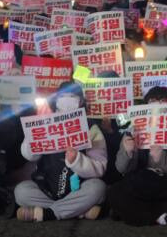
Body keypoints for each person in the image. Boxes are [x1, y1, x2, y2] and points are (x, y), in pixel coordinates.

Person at [14, 82, 107, 222]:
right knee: (21, 191)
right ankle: (78, 211)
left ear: (81, 101)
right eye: (63, 96)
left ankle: (48, 213)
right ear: (56, 100)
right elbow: (29, 156)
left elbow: (100, 169)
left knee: (98, 188)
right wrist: (35, 134)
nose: (68, 100)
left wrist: (77, 160)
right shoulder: (44, 121)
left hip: (79, 188)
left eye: (73, 97)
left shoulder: (91, 128)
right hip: (47, 187)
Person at [107, 86, 167, 226]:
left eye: (163, 100)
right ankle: (162, 217)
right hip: (141, 183)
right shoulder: (133, 130)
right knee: (114, 191)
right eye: (152, 101)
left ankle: (140, 215)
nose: (157, 104)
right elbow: (121, 169)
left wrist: (162, 158)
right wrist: (128, 152)